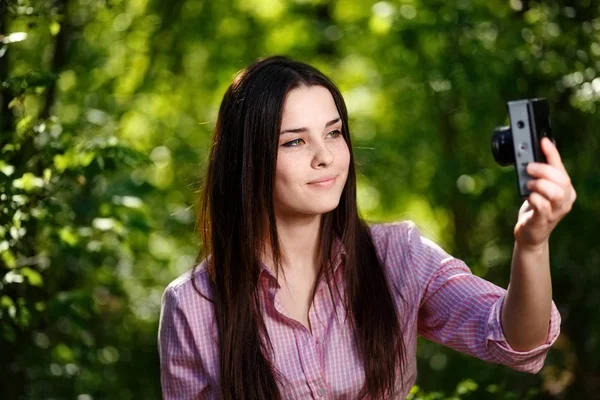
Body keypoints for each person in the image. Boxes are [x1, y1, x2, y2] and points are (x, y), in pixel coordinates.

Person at [158, 55, 576, 399]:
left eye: (334, 133)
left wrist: (533, 244)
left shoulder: (399, 255)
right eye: (295, 141)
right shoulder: (193, 304)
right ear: (248, 160)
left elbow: (516, 339)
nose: (326, 156)